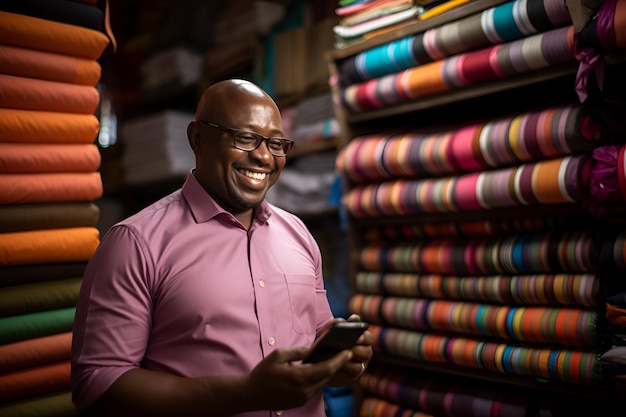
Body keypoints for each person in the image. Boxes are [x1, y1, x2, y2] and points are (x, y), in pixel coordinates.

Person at [71, 78, 374, 417]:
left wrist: (341, 361)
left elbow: (316, 340)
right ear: (197, 139)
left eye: (276, 143)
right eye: (245, 138)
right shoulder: (134, 244)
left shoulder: (299, 235)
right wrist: (244, 393)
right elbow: (98, 385)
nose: (262, 156)